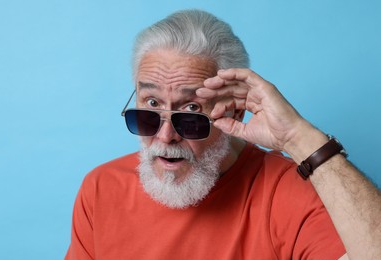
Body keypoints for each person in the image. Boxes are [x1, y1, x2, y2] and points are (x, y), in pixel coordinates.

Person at [65, 9, 381, 259]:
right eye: (151, 104)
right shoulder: (101, 188)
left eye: (190, 110)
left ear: (232, 112)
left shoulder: (287, 193)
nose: (164, 136)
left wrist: (299, 138)